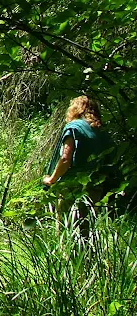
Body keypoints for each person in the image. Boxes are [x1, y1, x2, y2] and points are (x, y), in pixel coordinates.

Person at [42, 96, 112, 235]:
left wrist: (51, 180)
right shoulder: (101, 131)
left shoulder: (74, 127)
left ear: (75, 109)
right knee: (87, 229)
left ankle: (66, 256)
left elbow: (65, 158)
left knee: (66, 229)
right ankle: (88, 256)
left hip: (72, 186)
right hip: (95, 184)